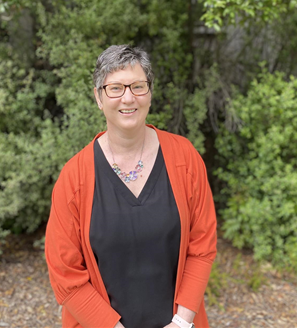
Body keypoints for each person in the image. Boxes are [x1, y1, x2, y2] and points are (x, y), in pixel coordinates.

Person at [45, 45, 217, 328]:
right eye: (115, 88)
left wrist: (183, 322)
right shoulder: (74, 178)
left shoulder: (185, 159)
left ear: (149, 92)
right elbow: (65, 273)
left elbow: (201, 247)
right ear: (99, 97)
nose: (128, 98)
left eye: (138, 86)